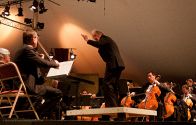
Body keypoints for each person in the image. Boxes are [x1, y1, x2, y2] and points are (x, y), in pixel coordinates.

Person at [14, 29, 63, 119]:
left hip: (20, 85)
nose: (37, 40)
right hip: (28, 86)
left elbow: (34, 63)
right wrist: (55, 63)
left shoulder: (21, 50)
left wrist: (38, 58)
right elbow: (44, 63)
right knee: (58, 93)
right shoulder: (27, 50)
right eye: (37, 38)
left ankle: (34, 113)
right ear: (33, 39)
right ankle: (37, 115)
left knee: (45, 94)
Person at [81, 30, 125, 108]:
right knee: (113, 85)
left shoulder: (104, 38)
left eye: (94, 37)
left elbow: (99, 44)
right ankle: (115, 105)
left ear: (97, 35)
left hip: (113, 64)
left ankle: (112, 105)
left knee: (106, 84)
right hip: (117, 65)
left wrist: (88, 40)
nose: (95, 39)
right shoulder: (107, 41)